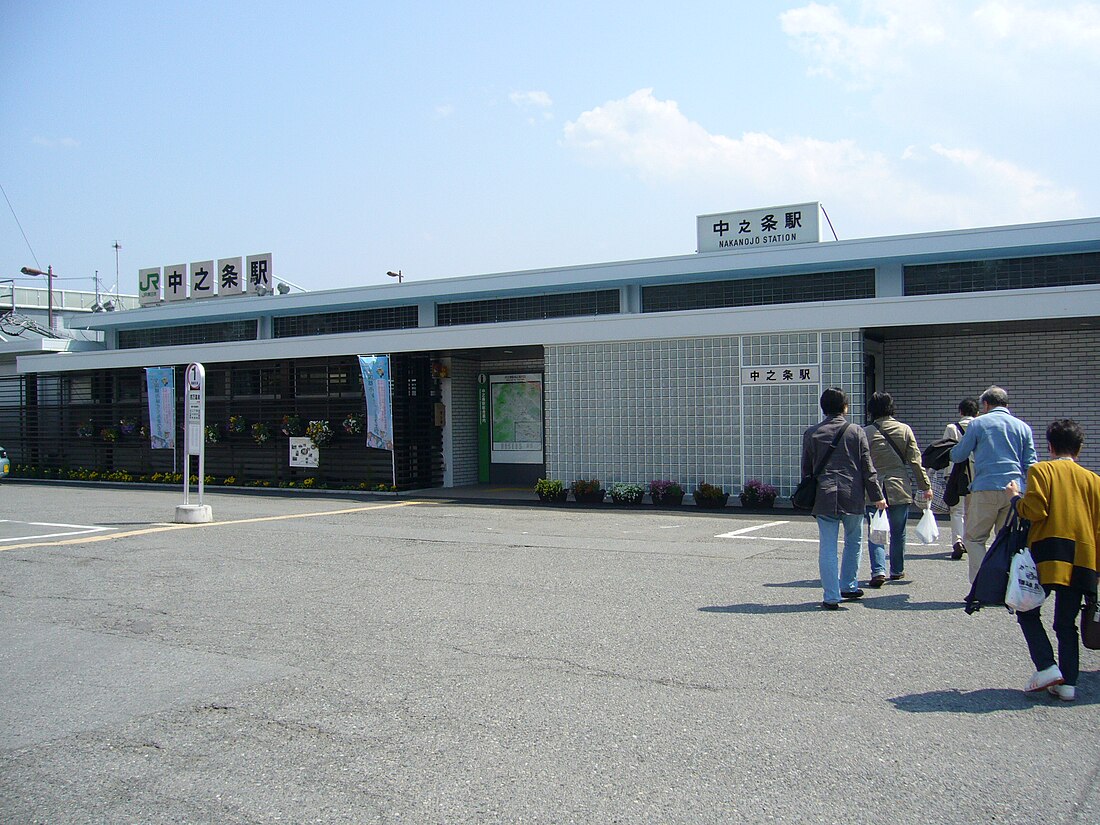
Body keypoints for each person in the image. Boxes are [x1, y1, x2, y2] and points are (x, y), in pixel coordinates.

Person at [1005, 419, 1100, 700]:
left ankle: (1047, 665)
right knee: (1065, 623)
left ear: (1050, 446)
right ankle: (1068, 684)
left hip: (1048, 553)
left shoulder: (1041, 469)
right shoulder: (1094, 480)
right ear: (1080, 448)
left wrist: (1014, 498)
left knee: (1026, 609)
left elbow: (1035, 509)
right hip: (1083, 557)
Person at [801, 387, 886, 610]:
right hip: (852, 496)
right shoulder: (856, 431)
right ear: (845, 407)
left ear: (823, 408)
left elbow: (807, 471)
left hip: (824, 496)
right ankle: (848, 585)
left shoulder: (811, 433)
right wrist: (877, 496)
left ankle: (831, 596)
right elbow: (868, 468)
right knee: (853, 541)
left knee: (827, 546)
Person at [950, 386, 1037, 583]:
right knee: (1006, 539)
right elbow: (1031, 463)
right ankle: (1005, 584)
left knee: (974, 538)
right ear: (1006, 404)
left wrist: (948, 452)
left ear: (986, 404)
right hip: (1015, 490)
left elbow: (959, 454)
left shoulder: (978, 424)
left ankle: (984, 584)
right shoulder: (1023, 427)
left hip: (985, 487)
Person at [863, 392, 933, 586]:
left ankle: (878, 570)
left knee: (876, 530)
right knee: (898, 531)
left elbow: (860, 464)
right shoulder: (904, 430)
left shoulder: (866, 432)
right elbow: (915, 462)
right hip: (899, 486)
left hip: (874, 488)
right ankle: (897, 570)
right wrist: (925, 486)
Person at [945, 398, 979, 560]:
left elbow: (946, 451)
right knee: (971, 510)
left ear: (960, 412)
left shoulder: (952, 428)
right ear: (977, 412)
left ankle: (957, 541)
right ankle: (969, 541)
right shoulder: (980, 426)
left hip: (955, 473)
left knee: (956, 510)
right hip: (975, 473)